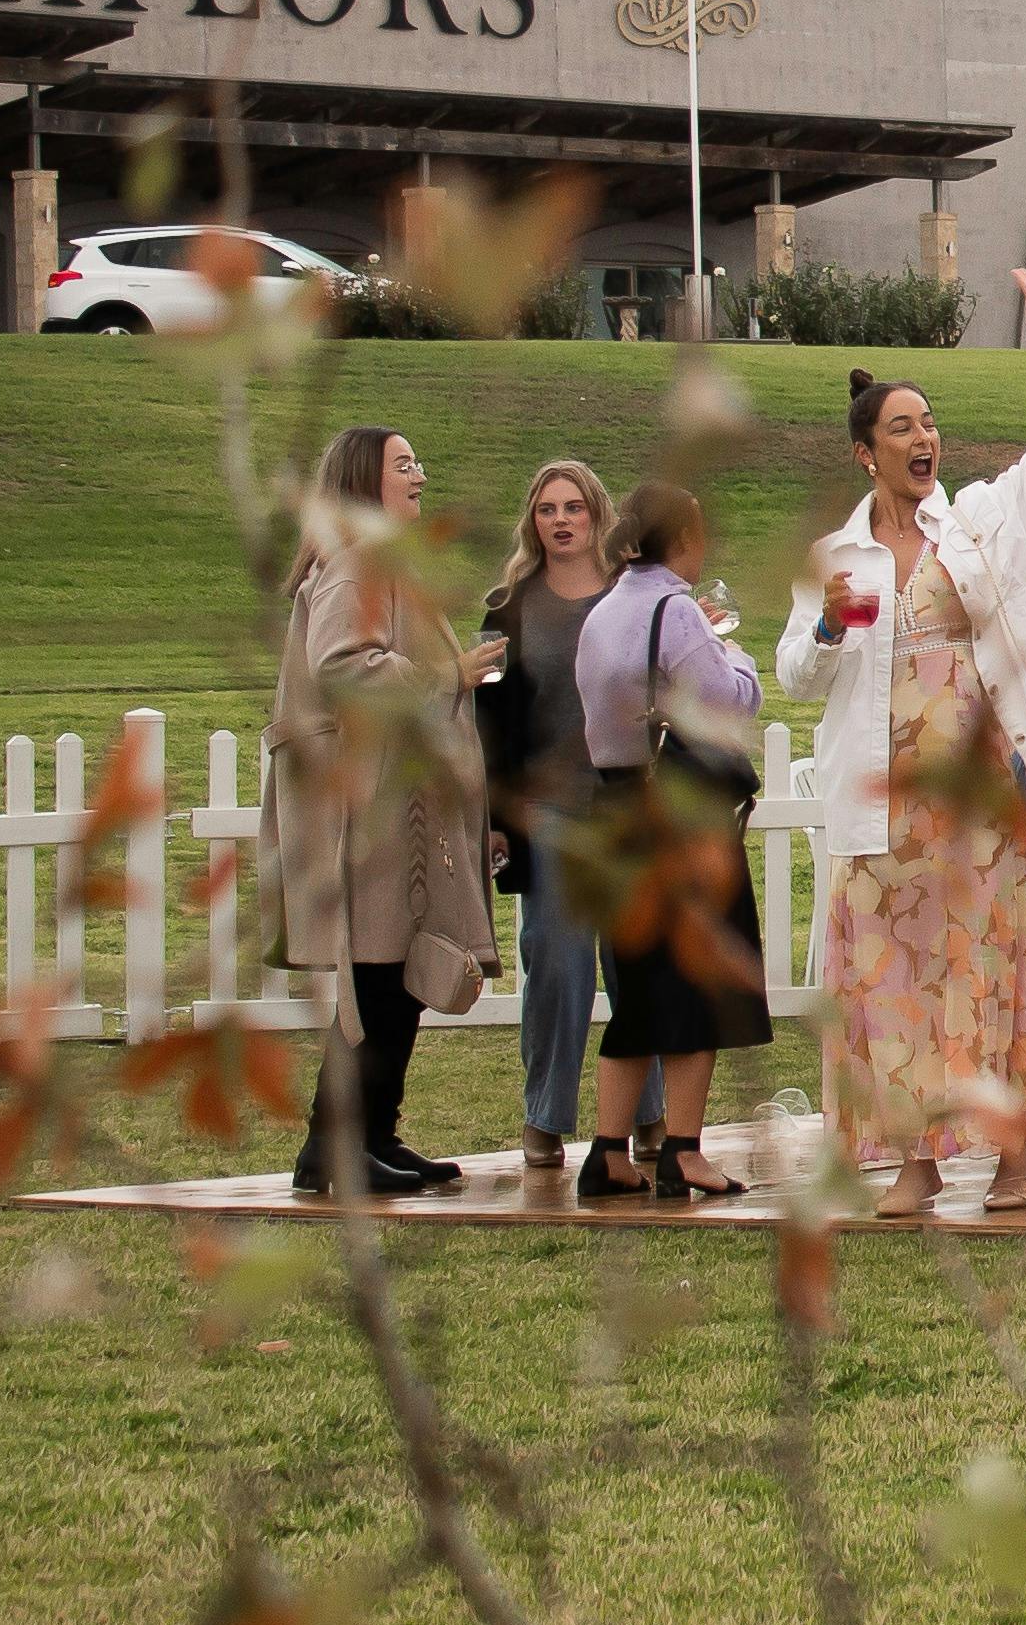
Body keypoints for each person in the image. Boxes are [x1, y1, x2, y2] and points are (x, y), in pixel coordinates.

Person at [781, 269, 1026, 1219]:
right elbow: (798, 672)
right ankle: (913, 1160)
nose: (923, 441)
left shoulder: (981, 520)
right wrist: (833, 627)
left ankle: (1011, 1158)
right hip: (882, 808)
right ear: (864, 454)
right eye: (902, 430)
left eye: (929, 426)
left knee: (995, 967)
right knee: (892, 984)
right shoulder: (838, 558)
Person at [268, 426, 496, 1197]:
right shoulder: (355, 565)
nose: (420, 476)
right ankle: (342, 1145)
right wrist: (446, 672)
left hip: (397, 801)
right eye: (405, 465)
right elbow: (343, 667)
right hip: (366, 804)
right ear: (369, 480)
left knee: (397, 970)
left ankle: (363, 1139)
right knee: (372, 973)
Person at [574, 482, 770, 1200]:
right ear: (684, 535)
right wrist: (736, 654)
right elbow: (725, 701)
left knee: (637, 987)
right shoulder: (676, 609)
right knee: (699, 982)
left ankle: (607, 1150)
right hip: (679, 818)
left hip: (617, 804)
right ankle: (684, 1149)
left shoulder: (602, 612)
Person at [473, 458, 660, 1172]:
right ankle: (545, 1117)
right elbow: (489, 721)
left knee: (635, 960)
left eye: (573, 507)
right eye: (547, 508)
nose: (560, 520)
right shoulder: (509, 607)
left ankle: (646, 1116)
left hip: (625, 803)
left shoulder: (634, 597)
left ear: (596, 516)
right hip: (545, 810)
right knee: (555, 961)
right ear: (534, 522)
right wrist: (493, 813)